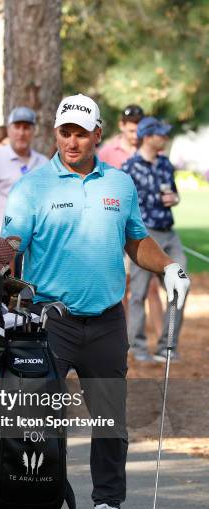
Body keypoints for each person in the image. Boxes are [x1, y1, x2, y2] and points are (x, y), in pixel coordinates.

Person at [1, 93, 190, 509]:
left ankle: (108, 503)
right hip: (51, 319)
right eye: (65, 132)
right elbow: (11, 245)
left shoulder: (119, 185)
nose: (72, 140)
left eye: (80, 133)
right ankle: (38, 499)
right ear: (56, 134)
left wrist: (168, 267)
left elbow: (136, 240)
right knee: (41, 418)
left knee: (110, 419)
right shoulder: (33, 186)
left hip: (107, 320)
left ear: (97, 135)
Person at [122, 116, 188, 362]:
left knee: (181, 284)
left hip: (169, 233)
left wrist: (175, 199)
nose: (165, 137)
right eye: (161, 133)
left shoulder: (165, 164)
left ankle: (167, 347)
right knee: (138, 293)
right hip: (143, 235)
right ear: (148, 136)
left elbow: (175, 193)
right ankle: (137, 347)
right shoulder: (129, 168)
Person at [99, 104, 163, 334]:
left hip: (146, 229)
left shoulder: (154, 149)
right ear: (122, 125)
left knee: (152, 286)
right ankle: (126, 338)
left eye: (139, 122)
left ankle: (162, 341)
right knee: (122, 286)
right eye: (131, 123)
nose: (135, 128)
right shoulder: (107, 152)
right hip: (117, 227)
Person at [0, 106, 47, 237]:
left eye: (26, 127)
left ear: (34, 131)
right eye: (17, 127)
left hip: (31, 245)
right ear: (8, 130)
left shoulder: (43, 163)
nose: (21, 133)